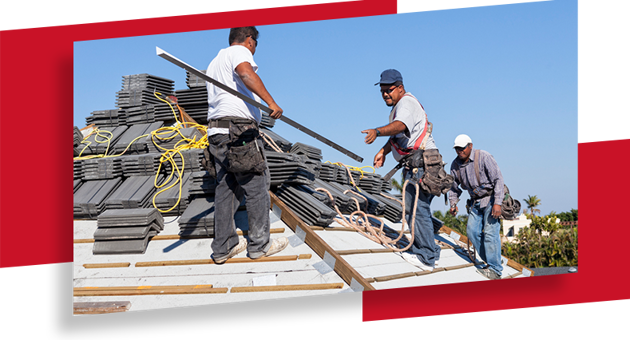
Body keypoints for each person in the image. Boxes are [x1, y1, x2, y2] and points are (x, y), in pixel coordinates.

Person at [205, 26, 288, 264]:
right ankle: (260, 245)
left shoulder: (215, 62)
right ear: (249, 40)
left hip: (217, 132)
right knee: (257, 184)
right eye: (255, 45)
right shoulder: (239, 53)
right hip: (238, 130)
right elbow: (245, 73)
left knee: (227, 188)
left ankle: (223, 247)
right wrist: (271, 102)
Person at [362, 69, 441, 271]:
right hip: (422, 163)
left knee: (415, 210)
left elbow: (399, 126)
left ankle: (426, 257)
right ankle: (431, 250)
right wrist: (384, 151)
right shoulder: (401, 105)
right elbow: (400, 134)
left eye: (389, 90)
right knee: (419, 208)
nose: (385, 94)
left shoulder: (405, 103)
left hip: (420, 164)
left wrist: (377, 132)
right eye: (382, 91)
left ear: (400, 87)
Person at [447, 134, 504, 280]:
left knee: (491, 233)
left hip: (491, 199)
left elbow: (498, 179)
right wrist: (453, 203)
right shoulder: (455, 165)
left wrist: (497, 202)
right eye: (457, 149)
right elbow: (453, 187)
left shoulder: (483, 157)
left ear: (470, 146)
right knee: (472, 232)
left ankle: (495, 269)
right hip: (475, 201)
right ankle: (493, 260)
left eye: (462, 148)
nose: (460, 151)